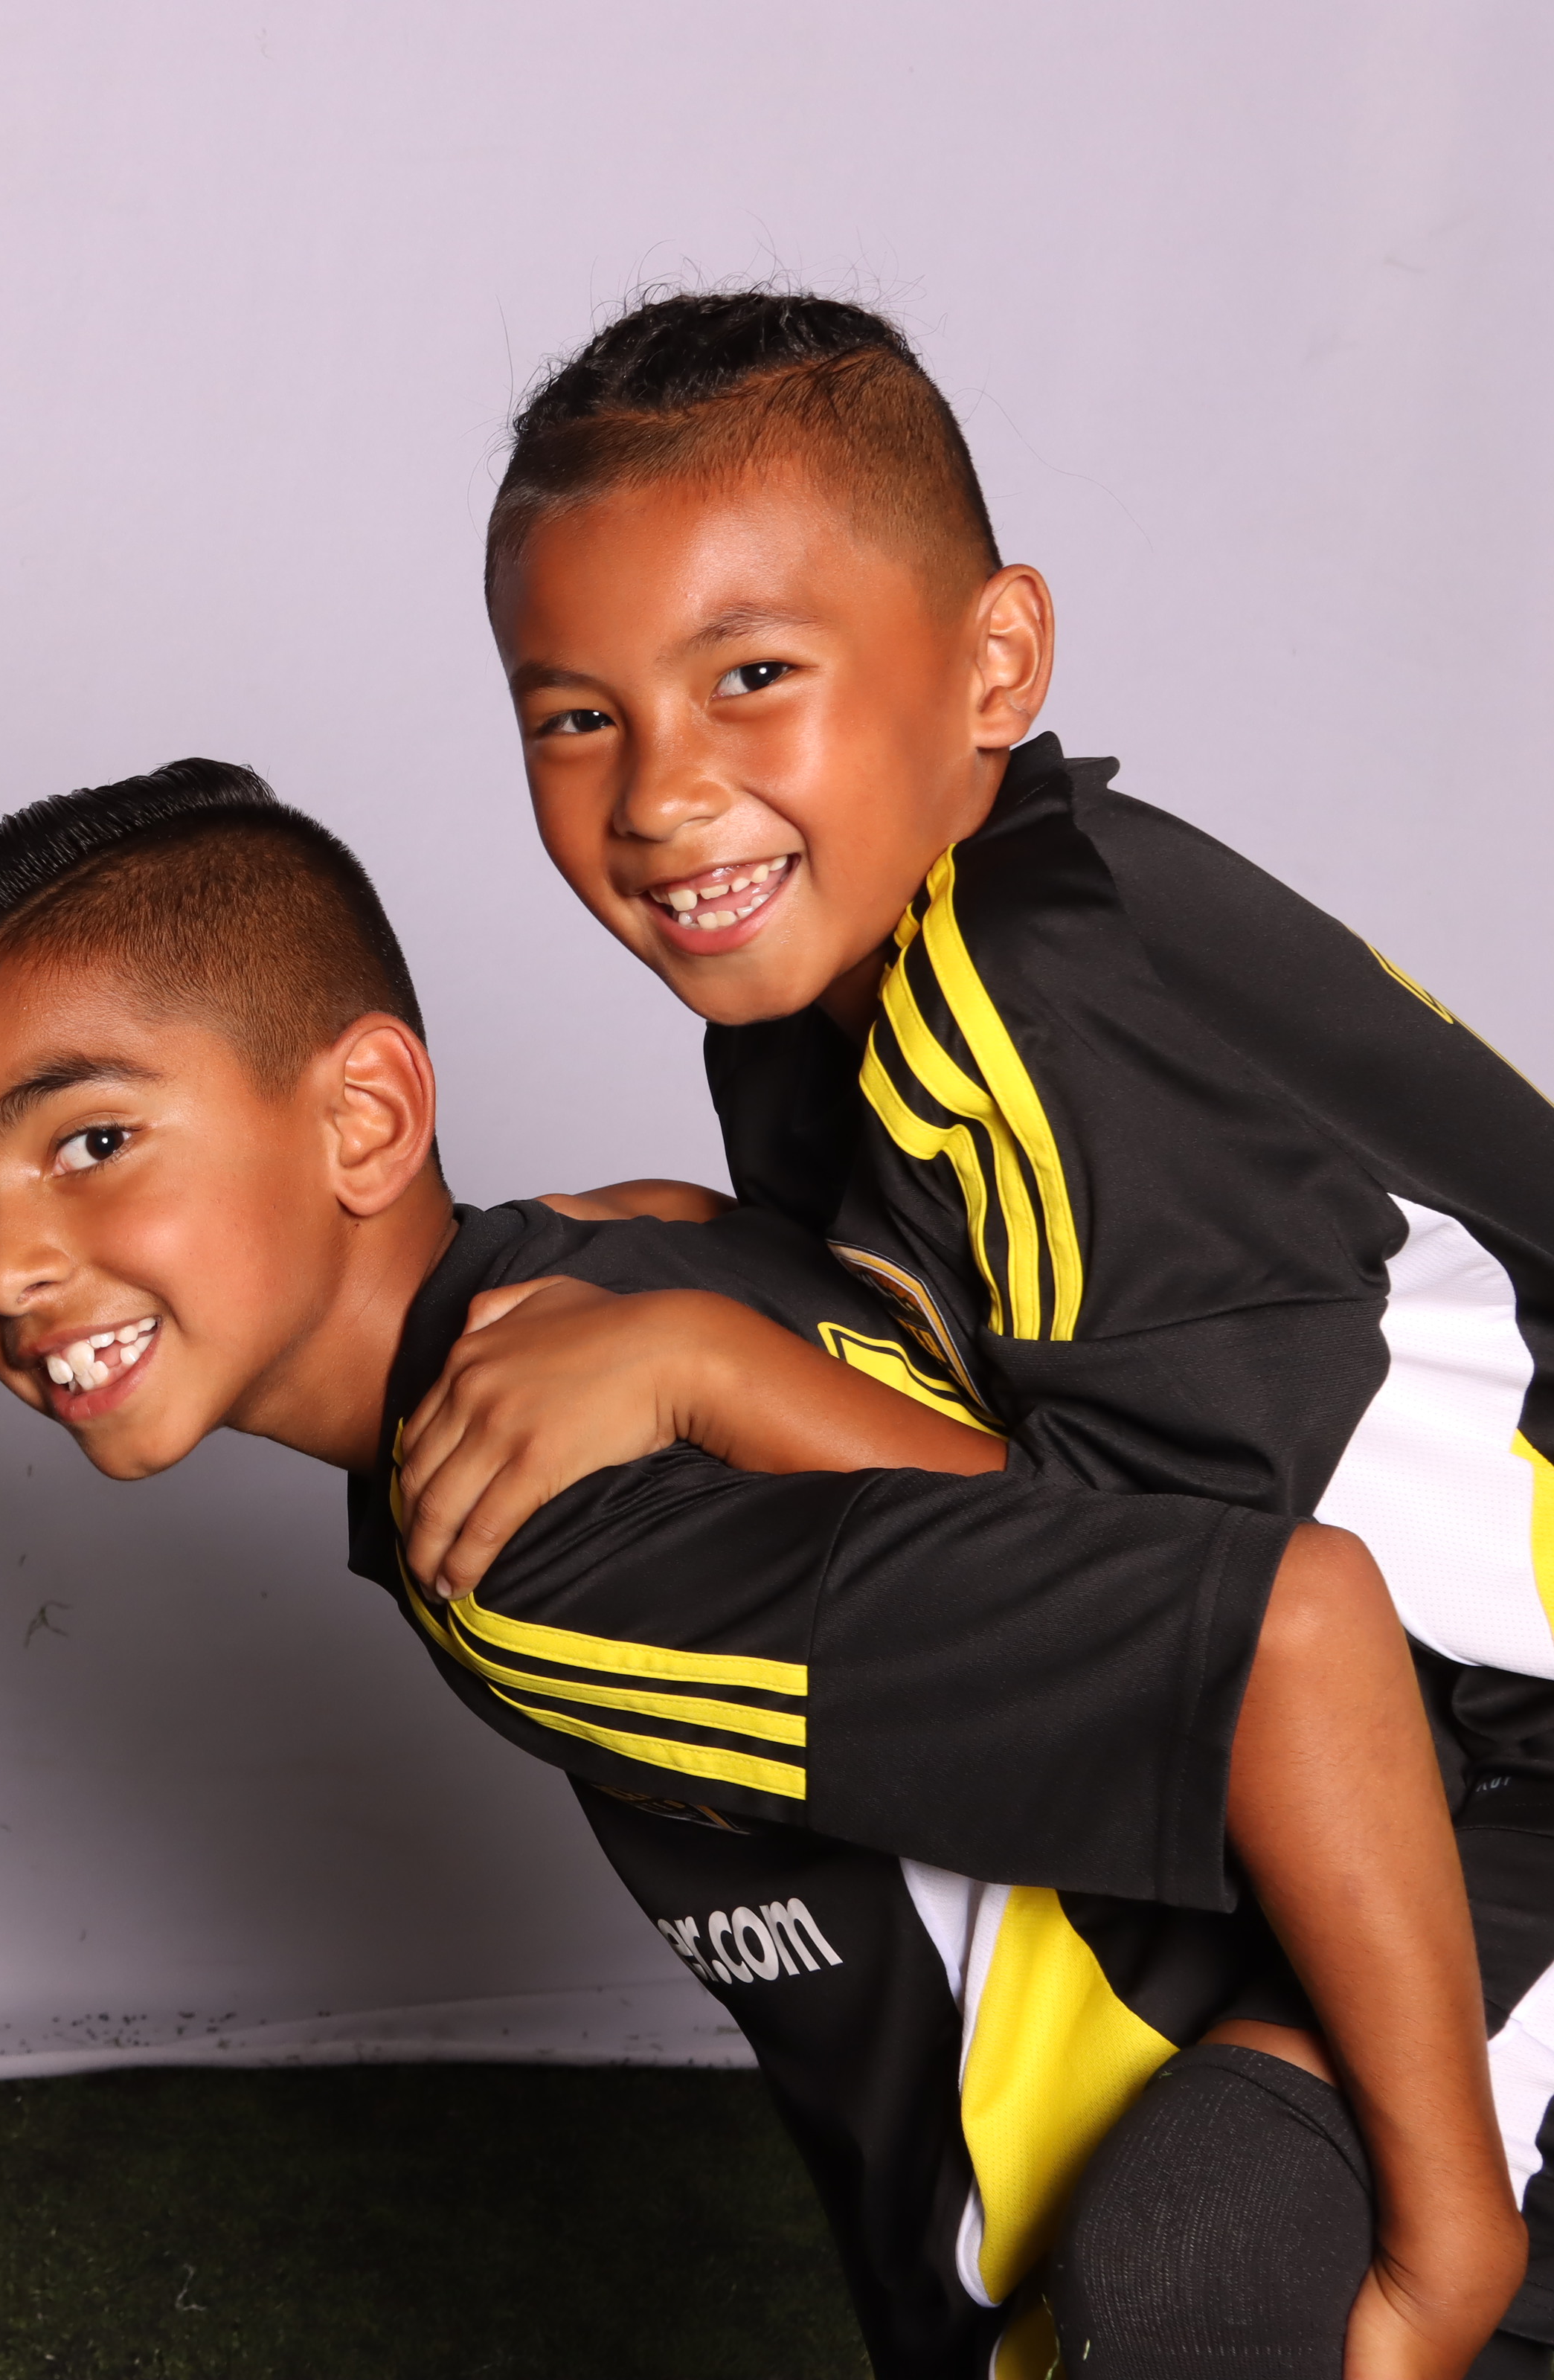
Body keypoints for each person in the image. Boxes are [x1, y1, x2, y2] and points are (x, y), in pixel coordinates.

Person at [0, 762, 1526, 2379]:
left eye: (91, 1141)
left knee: (1183, 2287)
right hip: (1422, 1935)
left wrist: (1448, 2243)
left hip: (1387, 2071)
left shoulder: (530, 1551)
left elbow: (1287, 1633)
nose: (4, 1269)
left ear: (364, 1116)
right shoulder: (632, 1237)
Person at [414, 286, 1554, 2376]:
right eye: (574, 718)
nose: (660, 794)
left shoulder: (1009, 997)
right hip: (1458, 1750)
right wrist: (718, 1251)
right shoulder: (852, 979)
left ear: (996, 662)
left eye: (751, 676)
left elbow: (1200, 1604)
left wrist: (718, 1360)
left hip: (1515, 1753)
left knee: (1200, 2266)